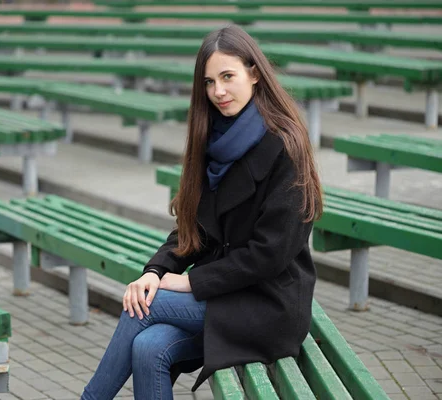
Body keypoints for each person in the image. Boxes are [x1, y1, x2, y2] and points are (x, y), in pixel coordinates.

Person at [81, 24, 322, 400]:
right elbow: (192, 229)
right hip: (225, 297)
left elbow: (270, 254)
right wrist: (155, 270)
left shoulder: (286, 145)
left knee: (146, 304)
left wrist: (192, 282)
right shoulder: (214, 142)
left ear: (254, 73)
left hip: (269, 303)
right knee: (148, 347)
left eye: (228, 77)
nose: (218, 92)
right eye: (209, 82)